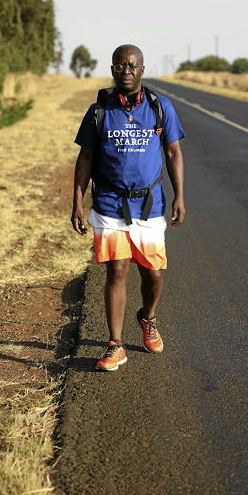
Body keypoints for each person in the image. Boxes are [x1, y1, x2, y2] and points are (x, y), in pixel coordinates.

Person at [71, 44, 185, 371]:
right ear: (112, 69)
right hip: (108, 203)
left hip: (149, 206)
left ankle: (147, 317)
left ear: (142, 70)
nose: (126, 71)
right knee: (117, 270)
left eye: (132, 65)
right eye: (120, 65)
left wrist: (179, 196)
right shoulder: (99, 111)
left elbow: (174, 153)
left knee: (153, 273)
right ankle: (115, 344)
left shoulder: (160, 107)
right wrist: (78, 201)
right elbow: (86, 158)